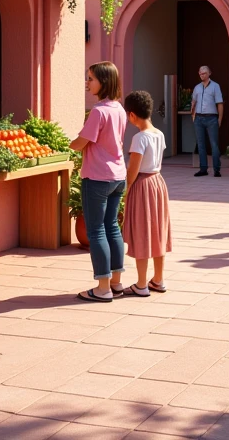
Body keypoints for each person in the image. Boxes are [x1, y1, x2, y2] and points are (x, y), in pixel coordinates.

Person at [71, 62, 126, 302]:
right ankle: (115, 282)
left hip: (97, 177)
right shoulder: (119, 109)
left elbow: (83, 140)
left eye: (91, 78)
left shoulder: (99, 111)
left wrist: (69, 145)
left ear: (103, 82)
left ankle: (102, 288)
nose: (87, 82)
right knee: (112, 226)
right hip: (117, 176)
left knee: (96, 230)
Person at [122, 90, 172, 297]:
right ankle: (158, 279)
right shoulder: (159, 134)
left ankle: (141, 284)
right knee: (158, 232)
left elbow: (133, 170)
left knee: (141, 233)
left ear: (132, 115)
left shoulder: (139, 138)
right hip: (158, 184)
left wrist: (125, 191)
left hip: (142, 185)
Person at [190, 65, 224, 177]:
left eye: (204, 73)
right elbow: (193, 102)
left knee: (214, 144)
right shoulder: (197, 88)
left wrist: (219, 119)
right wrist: (193, 116)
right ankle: (203, 169)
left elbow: (220, 103)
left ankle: (216, 169)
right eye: (200, 73)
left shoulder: (215, 86)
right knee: (201, 144)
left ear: (209, 73)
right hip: (198, 118)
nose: (201, 75)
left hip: (211, 118)